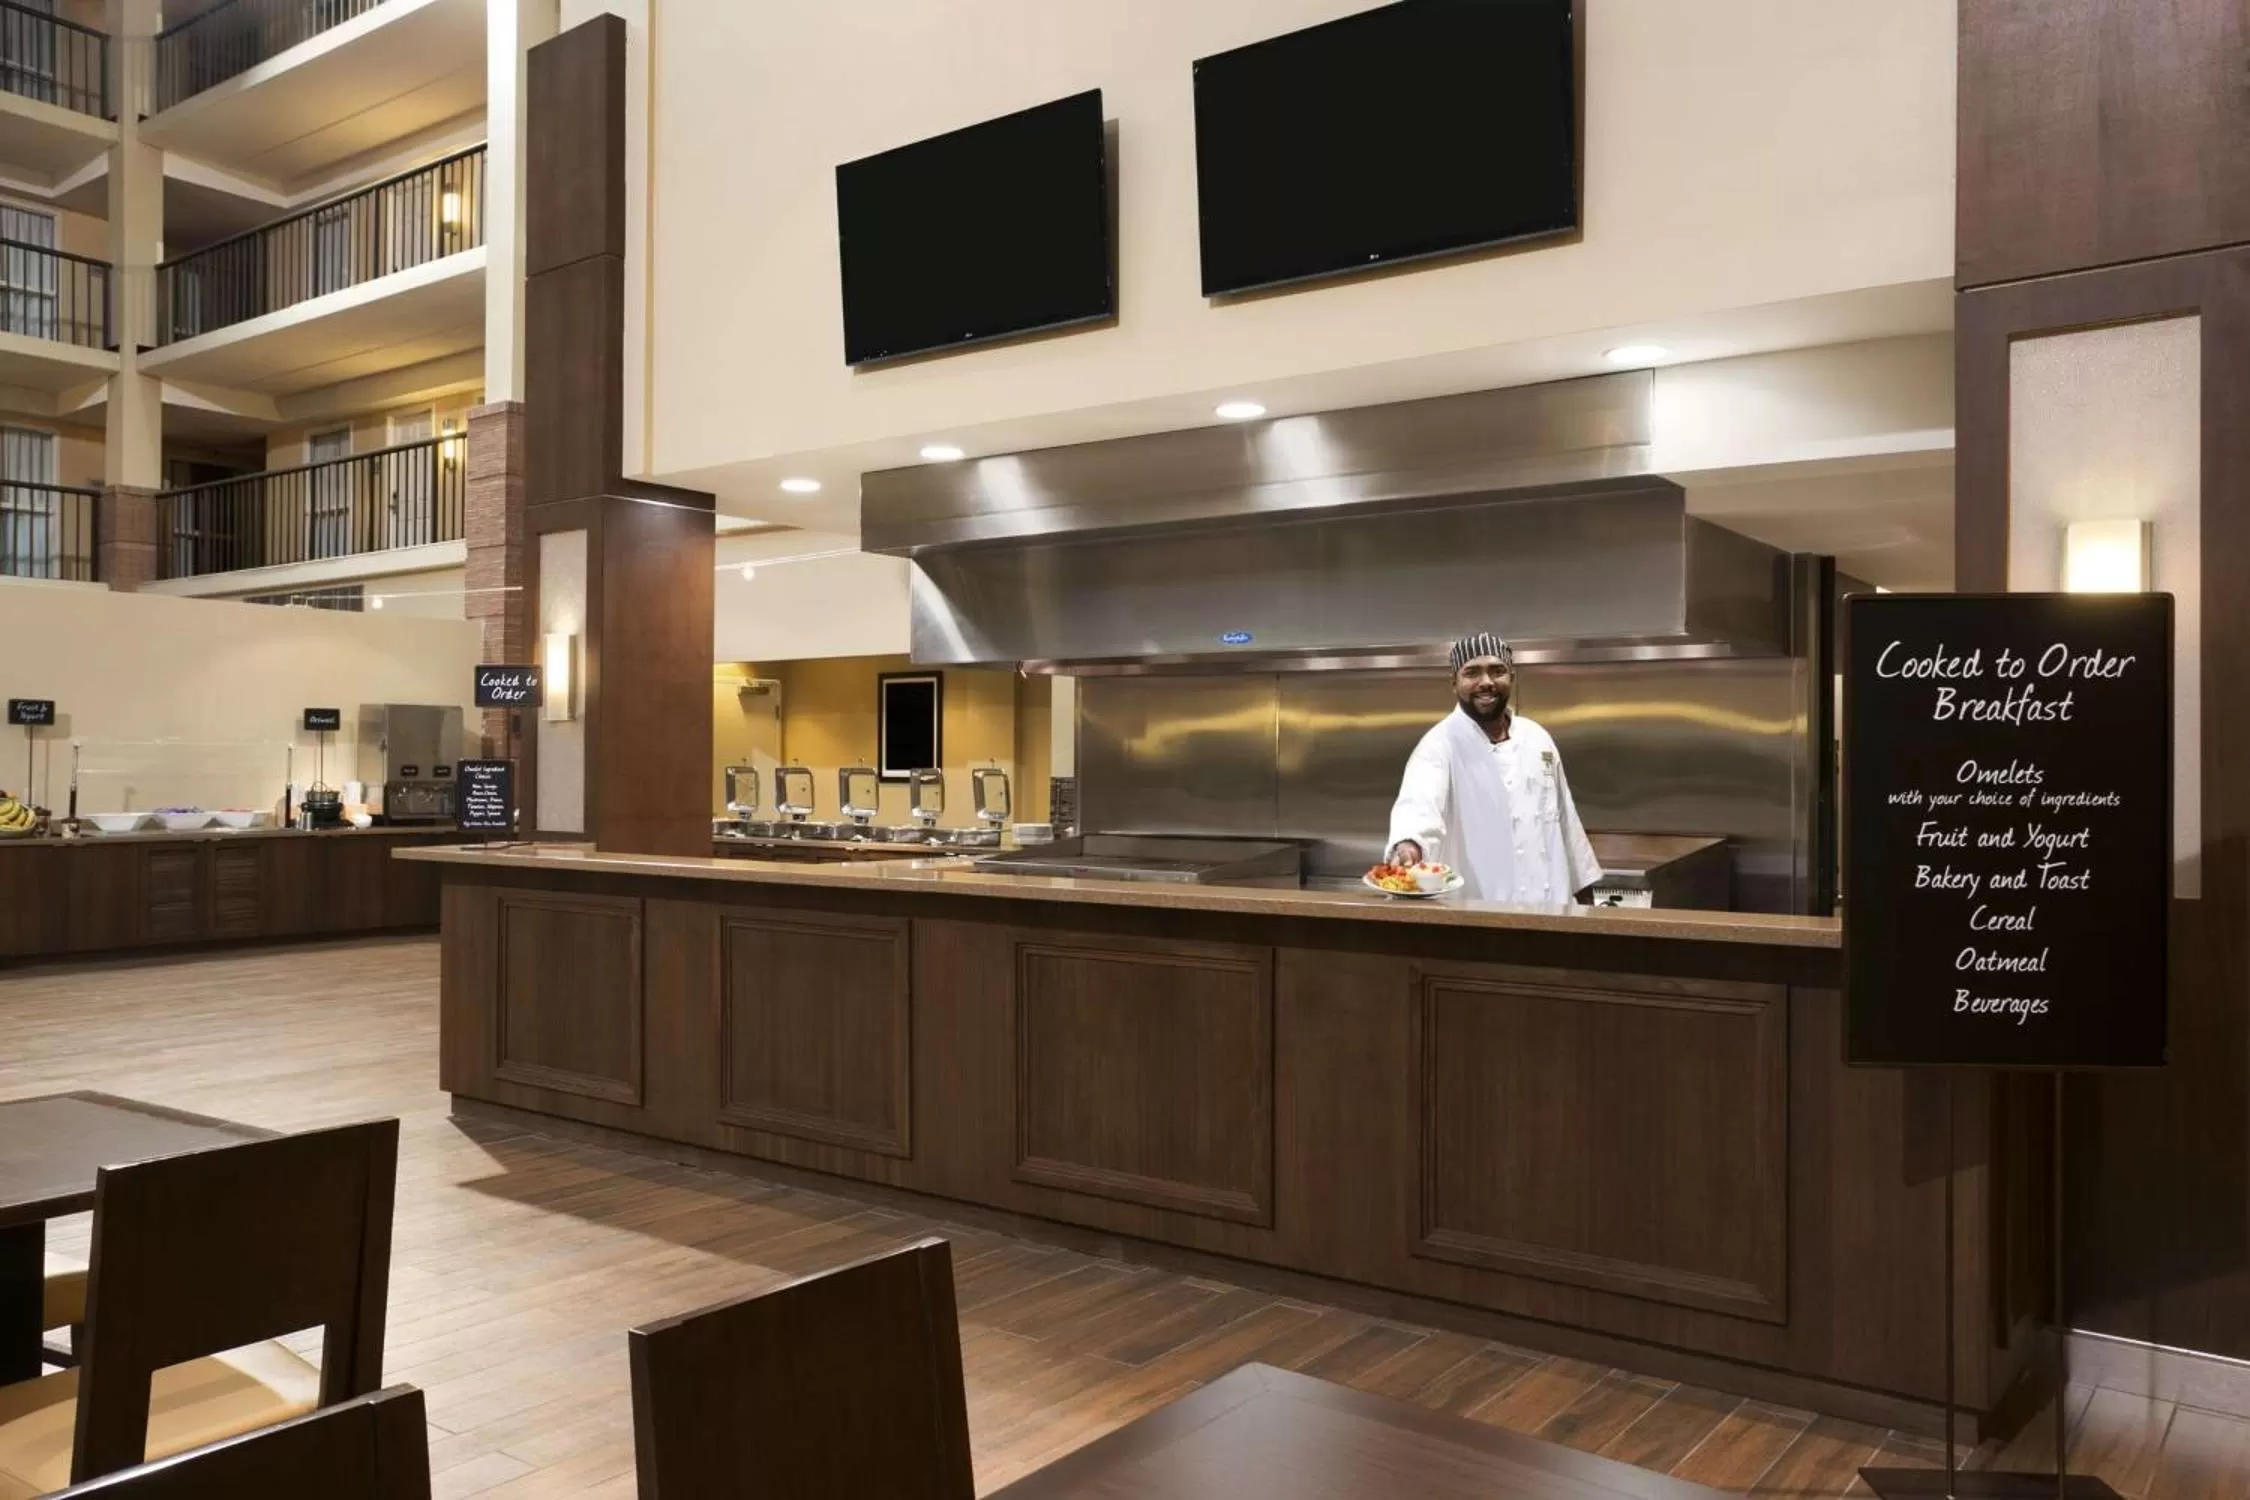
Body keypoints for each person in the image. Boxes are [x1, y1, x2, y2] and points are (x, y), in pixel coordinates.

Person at [1386, 632, 1601, 904]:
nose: (1486, 682)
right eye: (1472, 673)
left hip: (1552, 912)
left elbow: (1566, 824)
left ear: (1512, 676)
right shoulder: (1439, 745)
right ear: (1454, 682)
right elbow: (1419, 804)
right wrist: (1409, 844)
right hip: (1479, 916)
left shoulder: (1537, 739)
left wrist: (1587, 907)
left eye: (1497, 671)